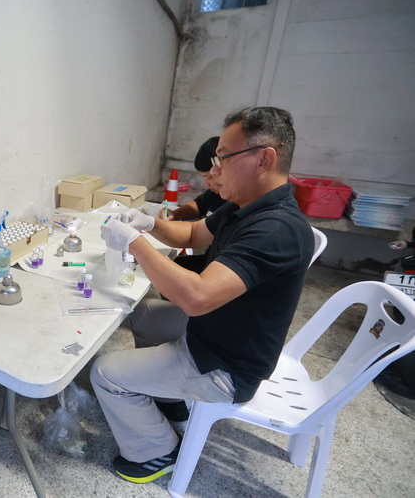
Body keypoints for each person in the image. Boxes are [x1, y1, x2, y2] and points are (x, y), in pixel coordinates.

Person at [92, 106, 313, 484]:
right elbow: (194, 234)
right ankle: (170, 401)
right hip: (214, 331)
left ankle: (156, 452)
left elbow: (196, 298)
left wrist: (135, 244)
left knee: (104, 373)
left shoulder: (276, 229)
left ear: (264, 159)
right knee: (142, 313)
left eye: (223, 157)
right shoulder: (244, 206)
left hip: (226, 365)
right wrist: (149, 223)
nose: (215, 170)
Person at [162, 136, 226, 273]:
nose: (207, 184)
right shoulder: (217, 193)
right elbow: (199, 205)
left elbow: (193, 235)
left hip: (219, 269)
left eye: (209, 177)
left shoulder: (234, 201)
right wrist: (174, 214)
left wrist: (151, 226)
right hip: (210, 259)